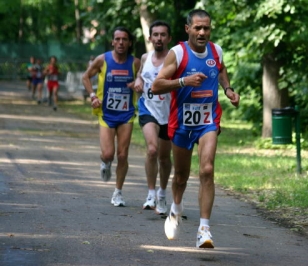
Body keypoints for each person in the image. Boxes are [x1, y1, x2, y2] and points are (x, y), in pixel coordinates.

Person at [152, 9, 240, 248]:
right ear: (187, 29)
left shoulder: (216, 51)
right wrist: (183, 81)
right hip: (181, 123)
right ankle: (176, 209)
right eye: (198, 28)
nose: (202, 32)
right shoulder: (177, 53)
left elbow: (220, 70)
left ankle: (204, 229)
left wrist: (228, 90)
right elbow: (157, 85)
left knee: (207, 170)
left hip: (208, 120)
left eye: (207, 28)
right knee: (181, 176)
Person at [82, 26, 141, 207]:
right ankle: (105, 162)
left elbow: (143, 81)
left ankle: (118, 192)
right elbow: (86, 77)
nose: (121, 42)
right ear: (112, 42)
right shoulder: (102, 60)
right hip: (106, 113)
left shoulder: (136, 62)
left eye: (124, 39)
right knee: (109, 153)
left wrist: (138, 84)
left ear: (129, 42)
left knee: (123, 155)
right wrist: (93, 96)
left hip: (126, 114)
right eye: (117, 39)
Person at [133, 21, 172, 215]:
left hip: (169, 113)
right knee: (152, 150)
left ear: (168, 38)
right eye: (155, 34)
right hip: (148, 108)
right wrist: (139, 79)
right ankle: (150, 194)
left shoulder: (175, 59)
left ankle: (162, 194)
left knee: (164, 158)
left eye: (163, 35)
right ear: (150, 38)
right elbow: (140, 74)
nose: (159, 38)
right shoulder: (145, 57)